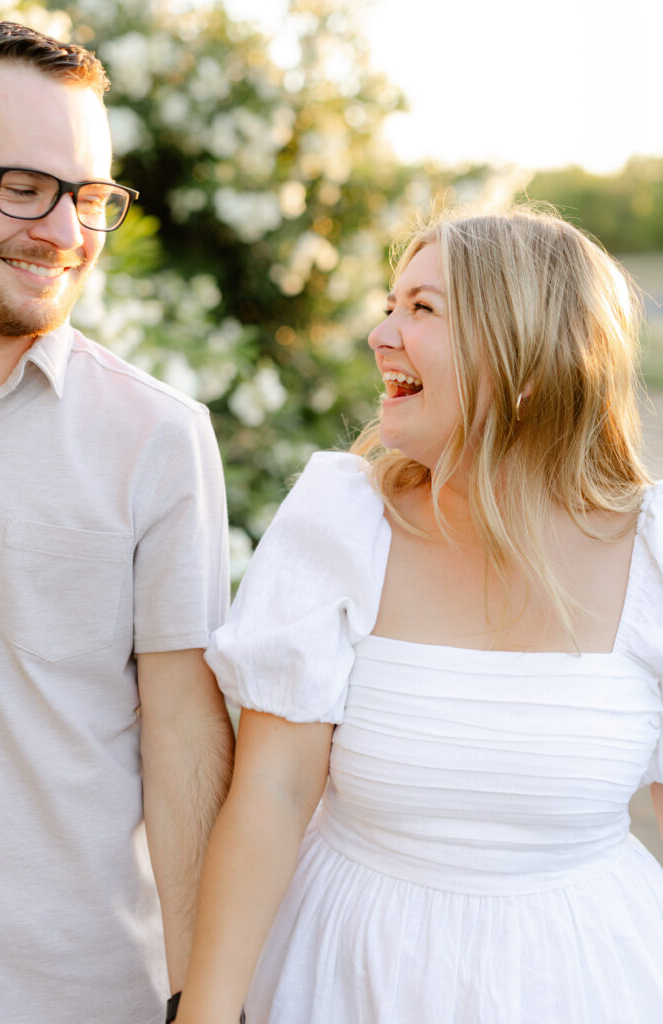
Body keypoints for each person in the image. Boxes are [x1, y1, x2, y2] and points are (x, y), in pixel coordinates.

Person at [176, 206, 663, 1023]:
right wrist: (206, 1013)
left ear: (526, 359)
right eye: (390, 303)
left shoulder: (653, 553)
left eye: (422, 309)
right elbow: (272, 790)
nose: (380, 333)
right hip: (347, 974)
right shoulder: (339, 521)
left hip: (586, 978)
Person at [0, 18, 233, 1024]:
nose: (65, 232)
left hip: (71, 993)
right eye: (26, 187)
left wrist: (198, 996)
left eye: (89, 197)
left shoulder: (158, 438)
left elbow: (182, 738)